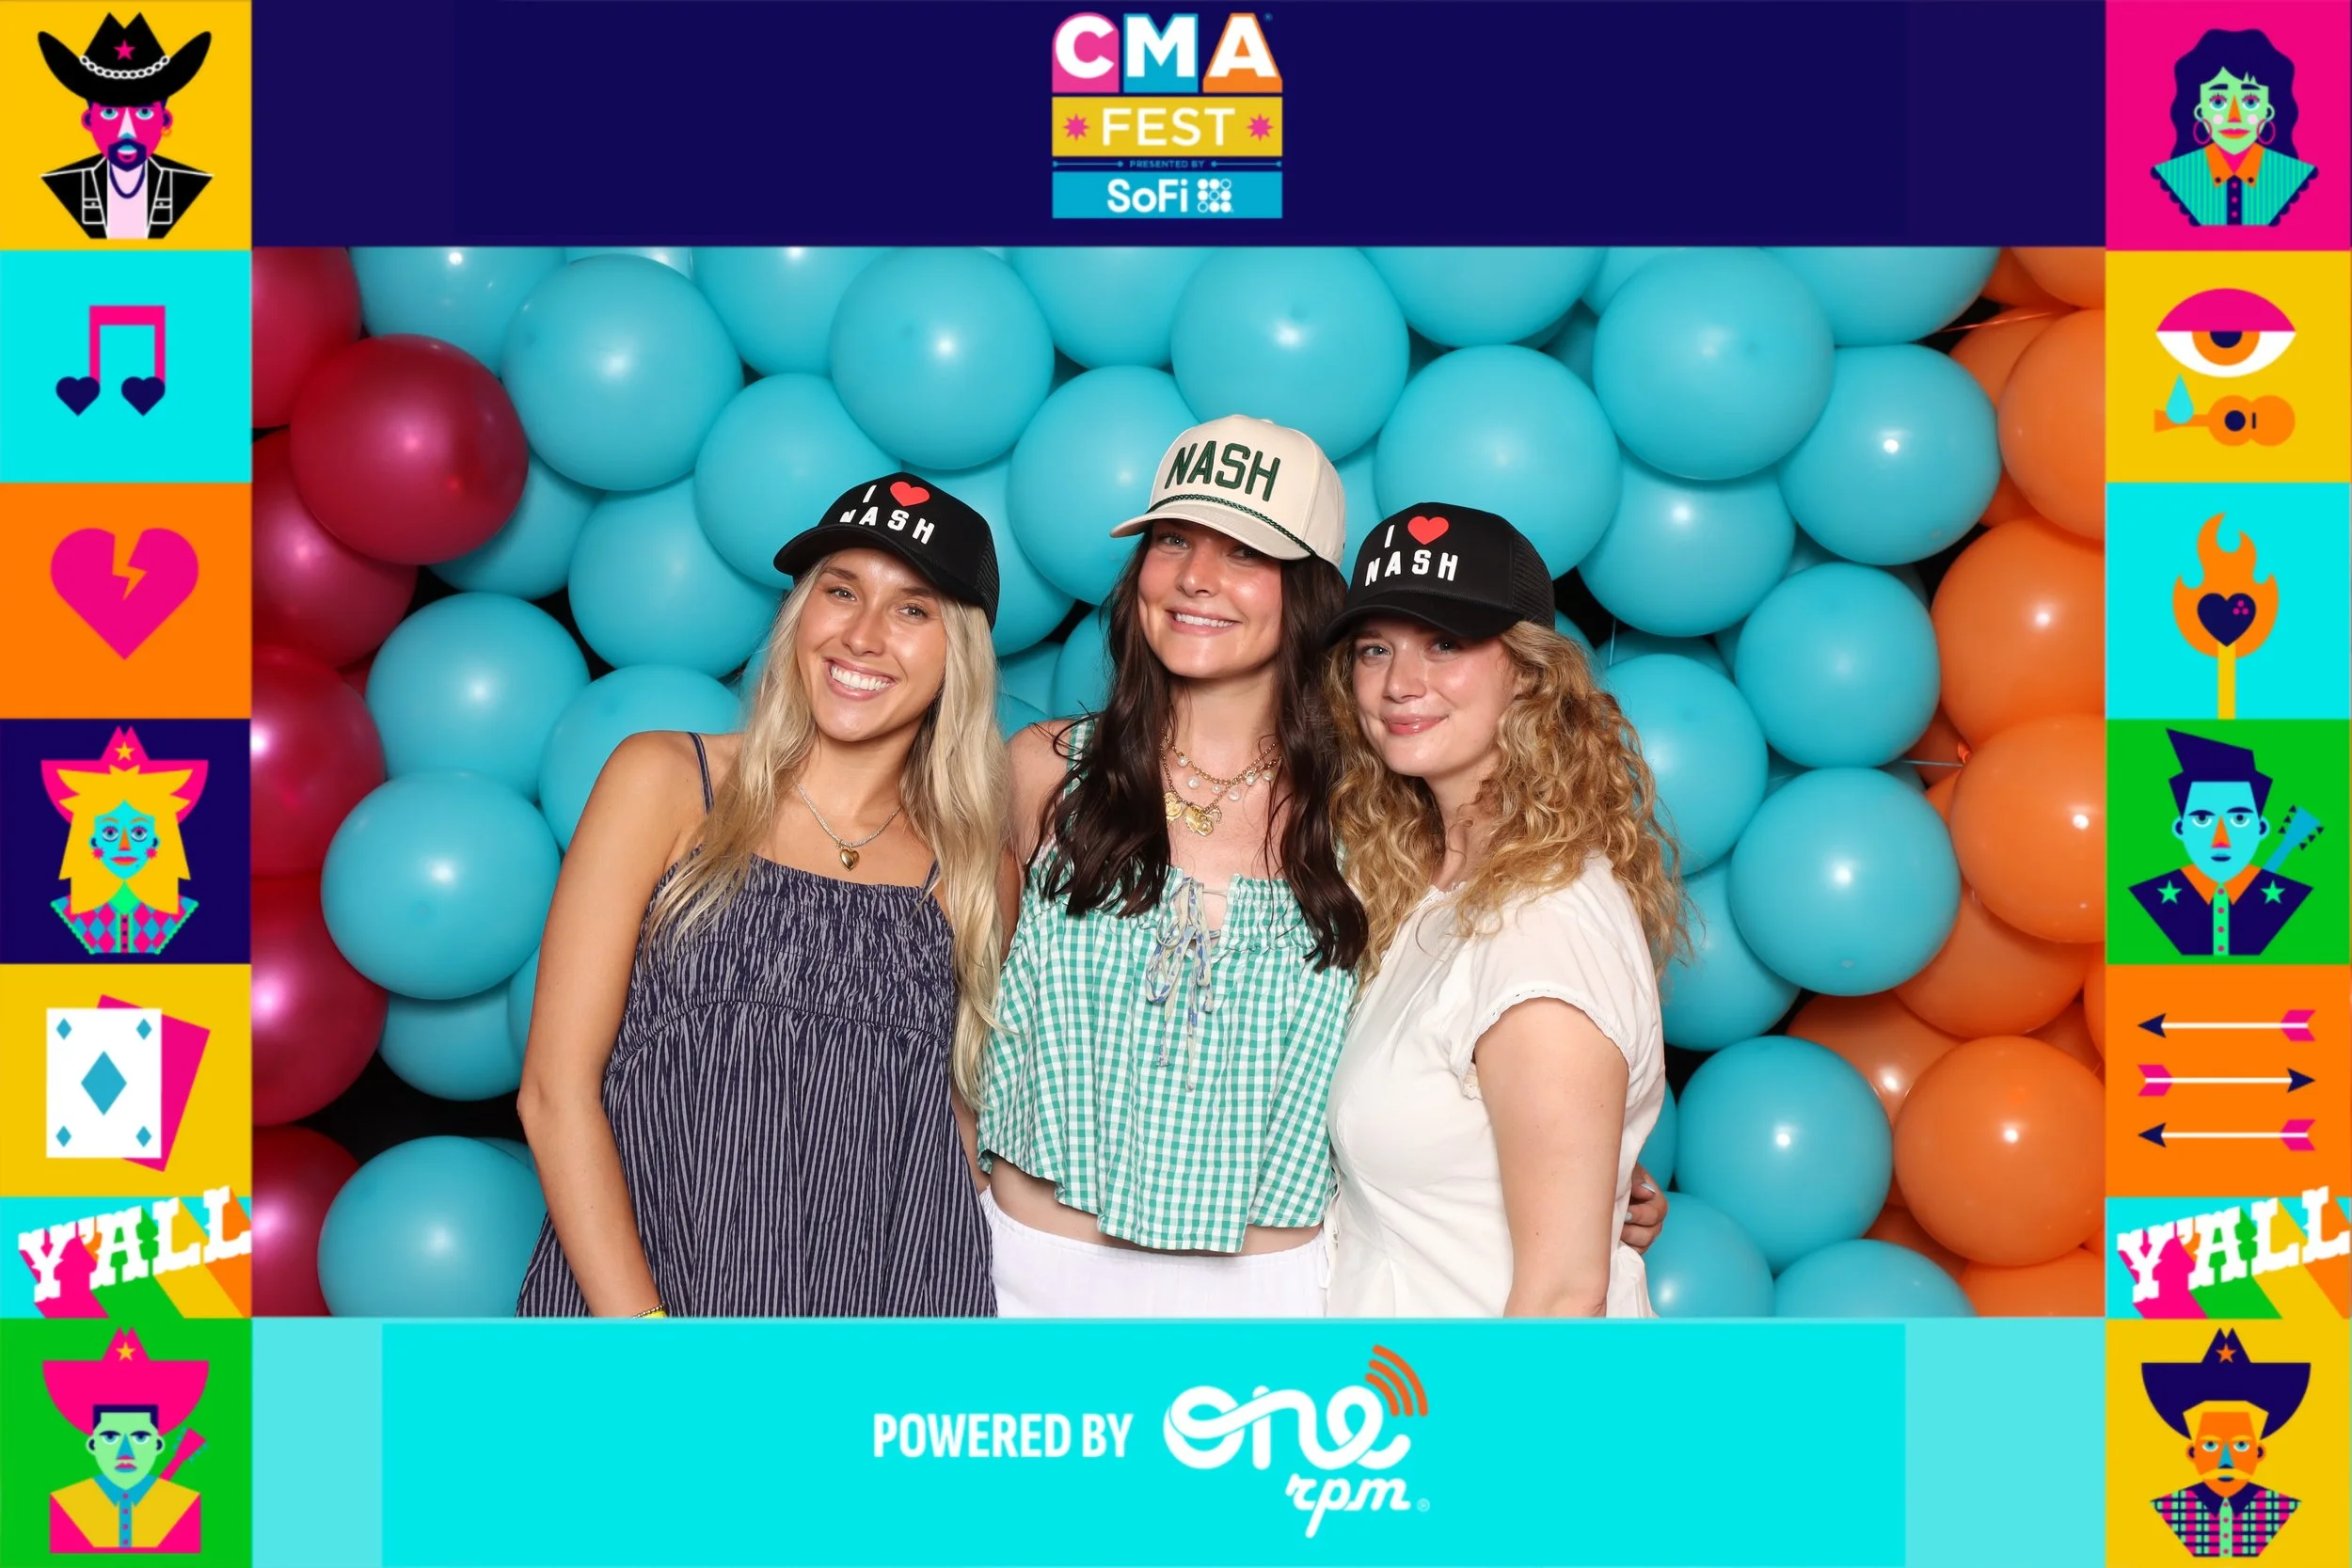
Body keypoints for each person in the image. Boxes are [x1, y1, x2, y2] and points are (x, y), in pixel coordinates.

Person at [977, 421, 1663, 1316]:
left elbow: (1512, 1051)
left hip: (1271, 1301)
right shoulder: (1043, 772)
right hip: (1028, 1274)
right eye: (1173, 539)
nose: (1196, 577)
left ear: (1305, 591)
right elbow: (953, 1017)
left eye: (1244, 550)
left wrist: (1592, 1174)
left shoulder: (1370, 818)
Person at [515, 474, 1009, 1318]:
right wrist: (651, 1339)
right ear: (799, 612)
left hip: (885, 1320)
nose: (862, 635)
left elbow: (958, 1138)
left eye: (912, 609)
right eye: (840, 591)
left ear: (958, 652)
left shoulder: (972, 869)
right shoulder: (667, 781)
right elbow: (554, 1091)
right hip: (652, 1305)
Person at [1322, 504, 1679, 1318]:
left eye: (1445, 643)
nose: (1399, 682)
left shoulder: (1542, 920)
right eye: (1375, 648)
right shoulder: (1430, 881)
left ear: (1528, 671)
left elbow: (1562, 1296)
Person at [2127, 728, 2312, 958]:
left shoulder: (2291, 895)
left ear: (2262, 828)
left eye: (2239, 819)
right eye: (2202, 819)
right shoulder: (2150, 896)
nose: (2221, 840)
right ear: (2180, 828)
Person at [37, 14, 214, 241]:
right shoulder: (62, 185)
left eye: (144, 113)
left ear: (165, 119)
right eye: (109, 113)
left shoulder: (191, 185)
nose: (126, 131)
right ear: (89, 120)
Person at [2144, 1329, 2306, 1558]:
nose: (2226, 1461)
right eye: (2211, 1445)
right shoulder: (2172, 1508)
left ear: (2260, 1452)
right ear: (2192, 1452)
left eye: (2241, 1445)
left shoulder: (2279, 1508)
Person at [43, 1328, 207, 1553]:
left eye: (140, 1437)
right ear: (92, 1445)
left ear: (158, 1445)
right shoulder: (67, 1504)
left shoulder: (183, 1504)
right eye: (110, 1437)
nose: (125, 1452)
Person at [2150, 29, 2317, 229]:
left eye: (2250, 101)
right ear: (2199, 110)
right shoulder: (2178, 176)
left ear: (2269, 110)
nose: (2234, 117)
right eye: (2218, 101)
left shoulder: (2290, 176)